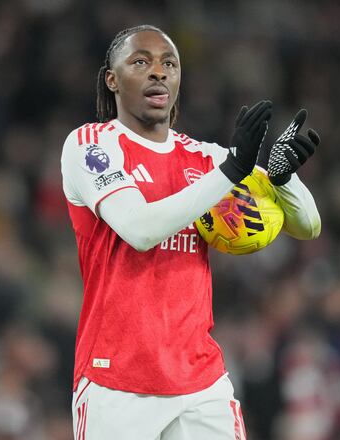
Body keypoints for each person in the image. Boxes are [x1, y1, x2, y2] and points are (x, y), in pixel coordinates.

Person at [60, 24, 322, 439]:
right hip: (116, 383)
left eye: (169, 64)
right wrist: (232, 171)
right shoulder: (90, 146)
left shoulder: (204, 158)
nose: (158, 73)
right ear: (112, 79)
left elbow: (308, 225)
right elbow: (139, 229)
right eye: (141, 62)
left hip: (200, 382)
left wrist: (282, 178)